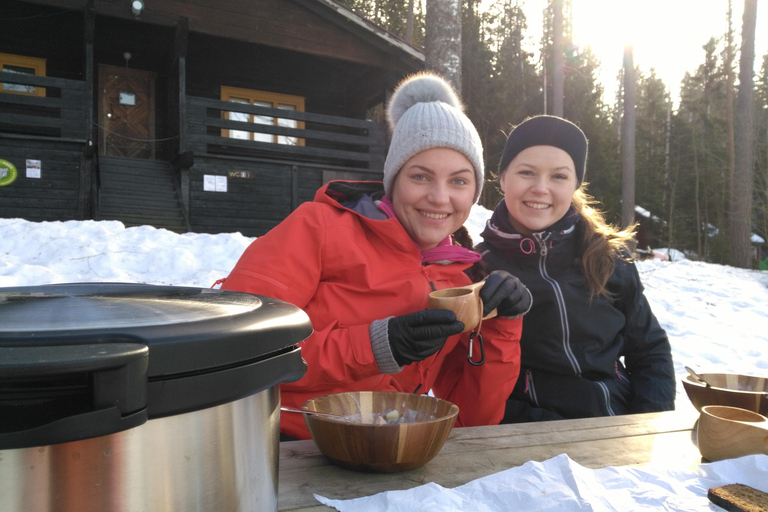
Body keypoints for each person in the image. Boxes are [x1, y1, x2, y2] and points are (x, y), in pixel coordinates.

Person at [217, 72, 531, 440]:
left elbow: (472, 421)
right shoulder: (317, 228)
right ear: (393, 179)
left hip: (388, 457)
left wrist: (501, 325)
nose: (440, 197)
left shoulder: (459, 282)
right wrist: (376, 345)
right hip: (281, 447)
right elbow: (237, 346)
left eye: (459, 181)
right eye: (420, 176)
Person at [476, 115, 675, 423]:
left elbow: (650, 351)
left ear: (574, 185)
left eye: (558, 176)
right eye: (527, 172)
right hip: (523, 439)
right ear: (503, 179)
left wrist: (646, 425)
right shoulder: (480, 269)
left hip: (614, 424)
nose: (541, 188)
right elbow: (468, 377)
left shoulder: (607, 257)